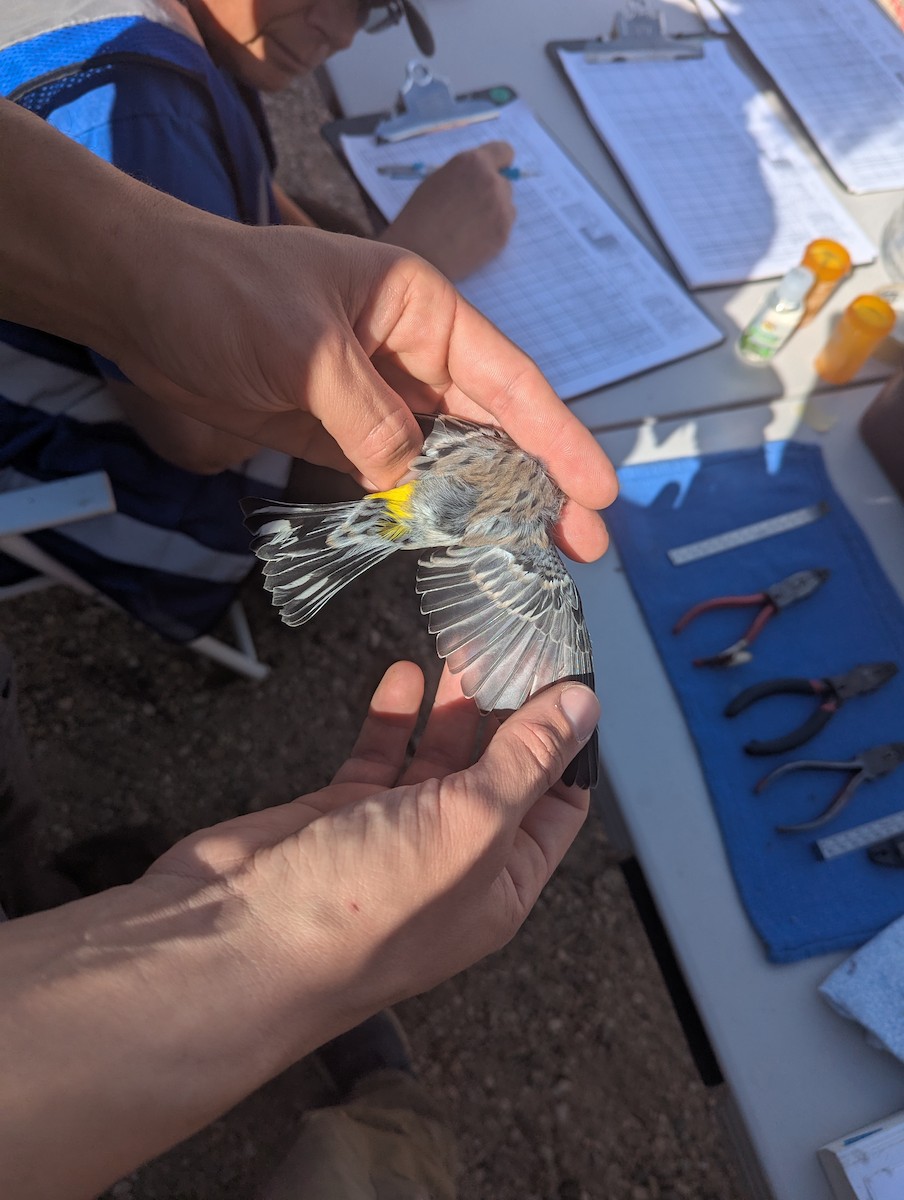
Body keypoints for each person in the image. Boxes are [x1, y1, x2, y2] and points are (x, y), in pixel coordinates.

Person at [0, 97, 616, 1197]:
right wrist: (269, 945)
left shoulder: (191, 96)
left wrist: (159, 263)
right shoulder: (147, 98)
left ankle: (39, 891)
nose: (345, 23)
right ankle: (383, 1105)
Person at [0, 0, 517, 642]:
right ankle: (288, 582)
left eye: (371, 10)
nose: (342, 33)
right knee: (418, 435)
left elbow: (255, 205)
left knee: (344, 240)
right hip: (81, 456)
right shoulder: (140, 108)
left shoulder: (169, 36)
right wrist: (419, 255)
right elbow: (198, 438)